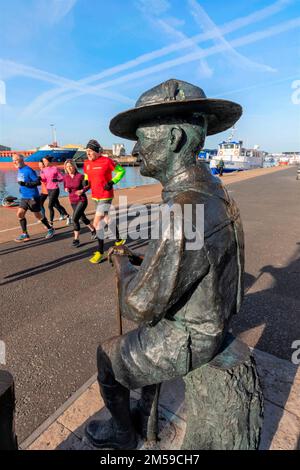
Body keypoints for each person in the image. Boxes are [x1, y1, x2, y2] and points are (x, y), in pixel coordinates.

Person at [84, 79, 244, 449]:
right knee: (143, 340)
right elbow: (190, 258)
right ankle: (145, 413)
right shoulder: (216, 191)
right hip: (214, 318)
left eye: (143, 138)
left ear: (173, 138)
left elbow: (139, 304)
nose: (135, 149)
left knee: (108, 356)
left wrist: (124, 266)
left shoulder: (183, 209)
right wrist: (149, 262)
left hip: (193, 335)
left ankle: (123, 435)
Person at [83, 140, 126, 264]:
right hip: (95, 196)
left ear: (96, 151)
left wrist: (112, 182)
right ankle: (119, 239)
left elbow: (121, 171)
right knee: (107, 219)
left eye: (90, 151)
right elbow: (87, 174)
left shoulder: (107, 161)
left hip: (106, 195)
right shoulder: (86, 163)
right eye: (87, 152)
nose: (88, 154)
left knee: (97, 223)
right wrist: (86, 181)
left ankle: (100, 252)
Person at [12, 153, 55, 242]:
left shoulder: (29, 170)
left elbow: (37, 182)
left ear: (21, 160)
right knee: (20, 214)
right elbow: (22, 182)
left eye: (16, 160)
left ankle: (50, 228)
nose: (14, 162)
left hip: (32, 197)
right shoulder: (19, 170)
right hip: (24, 197)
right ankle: (25, 234)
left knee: (38, 216)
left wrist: (25, 184)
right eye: (13, 160)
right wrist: (21, 188)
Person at [63, 159, 96, 247]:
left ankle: (76, 239)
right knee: (82, 218)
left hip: (81, 200)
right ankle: (93, 230)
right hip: (72, 200)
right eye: (67, 167)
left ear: (74, 166)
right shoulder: (65, 177)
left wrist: (82, 190)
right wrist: (66, 189)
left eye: (70, 166)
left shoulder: (80, 176)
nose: (69, 168)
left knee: (74, 219)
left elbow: (88, 185)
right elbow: (65, 186)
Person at [40, 156, 71, 226]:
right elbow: (44, 180)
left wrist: (57, 180)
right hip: (48, 189)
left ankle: (51, 223)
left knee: (50, 206)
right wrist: (40, 178)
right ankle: (68, 216)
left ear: (49, 161)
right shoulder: (44, 170)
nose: (44, 163)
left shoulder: (55, 168)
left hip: (55, 189)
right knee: (57, 205)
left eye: (45, 161)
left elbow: (62, 178)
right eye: (43, 161)